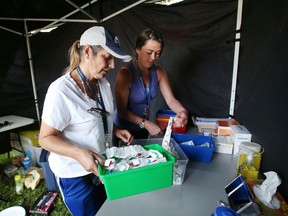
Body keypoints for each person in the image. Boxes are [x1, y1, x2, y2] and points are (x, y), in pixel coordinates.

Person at [39, 26, 133, 216]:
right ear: (88, 51)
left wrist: (115, 130)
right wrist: (79, 153)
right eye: (107, 57)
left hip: (102, 167)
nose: (113, 65)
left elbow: (98, 117)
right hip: (76, 177)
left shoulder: (103, 84)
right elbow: (45, 139)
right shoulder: (61, 91)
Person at [114, 28, 188, 139]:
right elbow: (121, 111)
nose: (153, 58)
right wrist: (146, 123)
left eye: (157, 53)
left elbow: (171, 100)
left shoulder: (159, 72)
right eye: (149, 52)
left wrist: (182, 111)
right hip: (123, 131)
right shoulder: (125, 74)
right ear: (138, 49)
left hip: (143, 128)